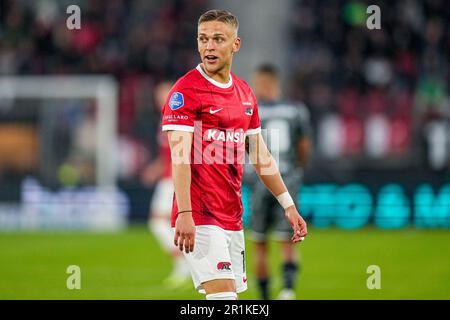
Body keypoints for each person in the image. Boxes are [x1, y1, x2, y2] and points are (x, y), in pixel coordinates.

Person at [161, 9, 308, 300]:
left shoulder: (245, 94)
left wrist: (288, 205)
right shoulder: (185, 92)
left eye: (218, 39)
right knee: (224, 299)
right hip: (201, 216)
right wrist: (186, 213)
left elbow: (261, 157)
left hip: (231, 216)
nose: (209, 46)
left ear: (235, 45)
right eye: (203, 39)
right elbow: (179, 158)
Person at [249, 64, 311, 300]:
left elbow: (250, 150)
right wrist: (297, 169)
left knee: (260, 242)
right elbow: (304, 146)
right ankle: (287, 290)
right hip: (288, 178)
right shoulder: (296, 110)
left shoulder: (252, 110)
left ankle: (264, 299)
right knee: (288, 240)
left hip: (259, 182)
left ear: (264, 83)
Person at [141, 81, 190, 287]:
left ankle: (184, 263)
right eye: (158, 96)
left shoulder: (179, 117)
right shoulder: (165, 118)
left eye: (164, 94)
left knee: (158, 222)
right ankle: (185, 262)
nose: (160, 99)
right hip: (167, 176)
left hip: (174, 178)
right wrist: (155, 168)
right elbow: (167, 153)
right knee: (163, 223)